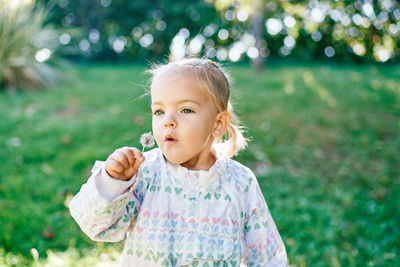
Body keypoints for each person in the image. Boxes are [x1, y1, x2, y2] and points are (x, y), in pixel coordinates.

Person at [69, 58, 287, 267]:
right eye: (159, 111)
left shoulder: (240, 183)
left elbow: (267, 256)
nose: (168, 121)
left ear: (218, 124)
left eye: (186, 110)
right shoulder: (145, 172)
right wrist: (113, 181)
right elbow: (95, 226)